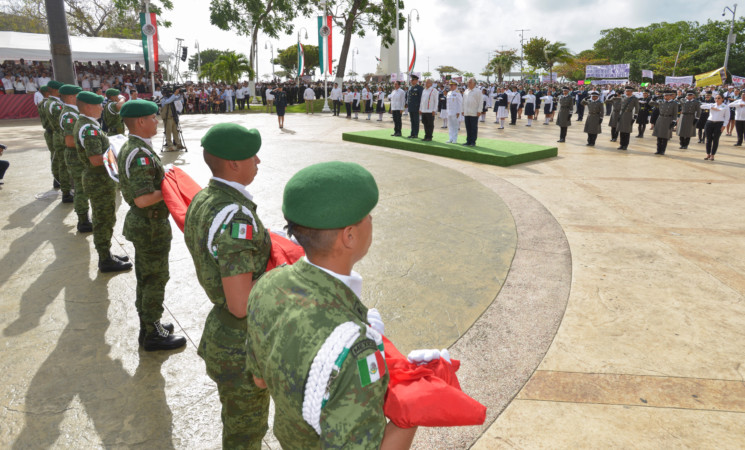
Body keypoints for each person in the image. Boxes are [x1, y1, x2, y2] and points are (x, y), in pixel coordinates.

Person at [245, 161, 418, 449]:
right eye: (367, 216)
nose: (371, 221)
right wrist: (416, 403)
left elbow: (259, 379)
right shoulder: (355, 350)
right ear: (349, 236)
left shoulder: (266, 285)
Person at [184, 124, 270, 448]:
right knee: (246, 434)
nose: (258, 161)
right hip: (240, 344)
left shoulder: (205, 198)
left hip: (223, 335)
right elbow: (239, 303)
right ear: (234, 163)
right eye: (252, 156)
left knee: (236, 425)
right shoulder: (237, 217)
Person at [117, 99, 186, 350]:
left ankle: (149, 326)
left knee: (147, 278)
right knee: (155, 278)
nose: (156, 121)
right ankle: (153, 333)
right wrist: (169, 186)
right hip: (150, 226)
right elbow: (143, 198)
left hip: (148, 225)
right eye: (153, 117)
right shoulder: (140, 155)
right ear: (140, 122)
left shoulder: (138, 148)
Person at [73, 91, 132, 272]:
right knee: (103, 220)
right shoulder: (89, 129)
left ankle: (107, 254)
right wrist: (117, 155)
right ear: (89, 107)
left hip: (99, 179)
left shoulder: (87, 124)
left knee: (104, 218)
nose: (101, 108)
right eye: (98, 105)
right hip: (98, 180)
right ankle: (105, 259)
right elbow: (96, 159)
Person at [59, 84, 93, 232]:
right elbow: (69, 141)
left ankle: (84, 217)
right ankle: (83, 220)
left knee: (82, 187)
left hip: (78, 156)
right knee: (80, 188)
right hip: (75, 156)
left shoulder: (73, 113)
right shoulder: (69, 115)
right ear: (72, 97)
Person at [46, 81, 73, 198]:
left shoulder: (50, 102)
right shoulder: (56, 105)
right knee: (64, 165)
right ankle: (66, 192)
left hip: (58, 134)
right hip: (60, 136)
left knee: (62, 163)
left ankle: (63, 187)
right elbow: (61, 123)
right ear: (54, 90)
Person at [699, 94, 730, 161]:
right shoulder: (712, 105)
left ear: (722, 99)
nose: (717, 99)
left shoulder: (725, 106)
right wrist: (711, 107)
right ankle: (708, 154)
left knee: (715, 139)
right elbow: (701, 106)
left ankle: (712, 154)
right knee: (708, 139)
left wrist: (724, 125)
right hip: (710, 122)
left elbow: (727, 117)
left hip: (719, 123)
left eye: (719, 98)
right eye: (716, 98)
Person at [651, 90, 679, 156]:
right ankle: (658, 150)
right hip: (660, 119)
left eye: (666, 95)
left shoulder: (674, 103)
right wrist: (654, 98)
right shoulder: (661, 102)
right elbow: (651, 103)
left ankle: (662, 150)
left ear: (670, 96)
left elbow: (675, 113)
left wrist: (674, 121)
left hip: (668, 119)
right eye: (664, 95)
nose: (665, 97)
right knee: (659, 136)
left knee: (665, 137)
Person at [617, 86, 640, 150]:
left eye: (629, 91)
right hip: (622, 114)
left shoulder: (634, 98)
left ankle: (625, 145)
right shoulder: (623, 97)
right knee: (621, 130)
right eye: (626, 91)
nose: (627, 92)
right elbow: (620, 106)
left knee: (627, 131)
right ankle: (621, 144)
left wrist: (635, 115)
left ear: (631, 92)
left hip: (629, 115)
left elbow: (637, 108)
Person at [462, 78, 481, 146]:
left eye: (470, 82)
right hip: (467, 112)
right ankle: (468, 141)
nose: (468, 83)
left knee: (473, 128)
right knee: (468, 127)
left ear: (474, 83)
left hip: (474, 112)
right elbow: (463, 101)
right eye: (468, 82)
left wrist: (479, 110)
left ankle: (473, 142)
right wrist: (462, 110)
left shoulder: (477, 91)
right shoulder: (466, 91)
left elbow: (480, 102)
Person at [446, 80, 463, 144]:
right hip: (449, 112)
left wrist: (459, 112)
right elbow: (447, 103)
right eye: (450, 85)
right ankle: (450, 138)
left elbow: (460, 103)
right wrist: (447, 111)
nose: (450, 86)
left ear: (456, 86)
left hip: (455, 112)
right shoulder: (449, 93)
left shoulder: (458, 93)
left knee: (455, 126)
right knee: (450, 126)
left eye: (452, 85)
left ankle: (454, 139)